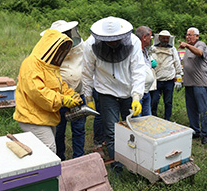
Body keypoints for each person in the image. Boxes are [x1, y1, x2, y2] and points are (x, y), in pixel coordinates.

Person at [82, 16, 145, 172]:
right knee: (111, 131)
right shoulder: (90, 44)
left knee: (132, 130)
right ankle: (117, 165)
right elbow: (87, 71)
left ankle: (135, 163)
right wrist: (88, 96)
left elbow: (138, 70)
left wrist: (137, 96)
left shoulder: (134, 42)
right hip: (106, 93)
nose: (112, 43)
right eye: (108, 40)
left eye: (115, 40)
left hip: (129, 93)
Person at [14, 29, 81, 153]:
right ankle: (49, 173)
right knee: (48, 150)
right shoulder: (31, 64)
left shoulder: (50, 67)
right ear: (50, 46)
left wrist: (70, 94)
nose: (60, 53)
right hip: (32, 117)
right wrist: (62, 100)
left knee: (40, 151)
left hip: (45, 116)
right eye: (59, 49)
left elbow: (59, 85)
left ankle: (36, 171)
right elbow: (38, 92)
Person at [45, 20, 88, 160]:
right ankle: (59, 159)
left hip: (78, 95)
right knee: (58, 131)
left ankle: (79, 158)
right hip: (58, 98)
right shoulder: (47, 52)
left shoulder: (82, 47)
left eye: (67, 33)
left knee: (79, 129)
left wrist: (89, 96)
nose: (67, 36)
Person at [179, 27, 207, 145]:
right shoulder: (188, 48)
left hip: (200, 84)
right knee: (191, 109)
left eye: (191, 35)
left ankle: (205, 134)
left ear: (197, 36)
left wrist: (187, 46)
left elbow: (199, 53)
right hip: (189, 84)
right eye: (187, 35)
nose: (188, 37)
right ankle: (195, 131)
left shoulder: (200, 44)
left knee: (203, 110)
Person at [150, 30, 183, 121]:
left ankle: (167, 119)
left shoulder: (172, 49)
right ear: (159, 38)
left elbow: (177, 63)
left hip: (169, 80)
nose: (165, 40)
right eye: (163, 38)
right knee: (154, 101)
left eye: (167, 38)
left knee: (168, 101)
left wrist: (179, 78)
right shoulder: (152, 49)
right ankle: (153, 118)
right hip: (156, 80)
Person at [135, 26, 156, 117]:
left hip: (146, 91)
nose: (151, 39)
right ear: (144, 37)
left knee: (147, 118)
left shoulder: (145, 50)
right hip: (137, 93)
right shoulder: (134, 51)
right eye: (150, 37)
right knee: (137, 120)